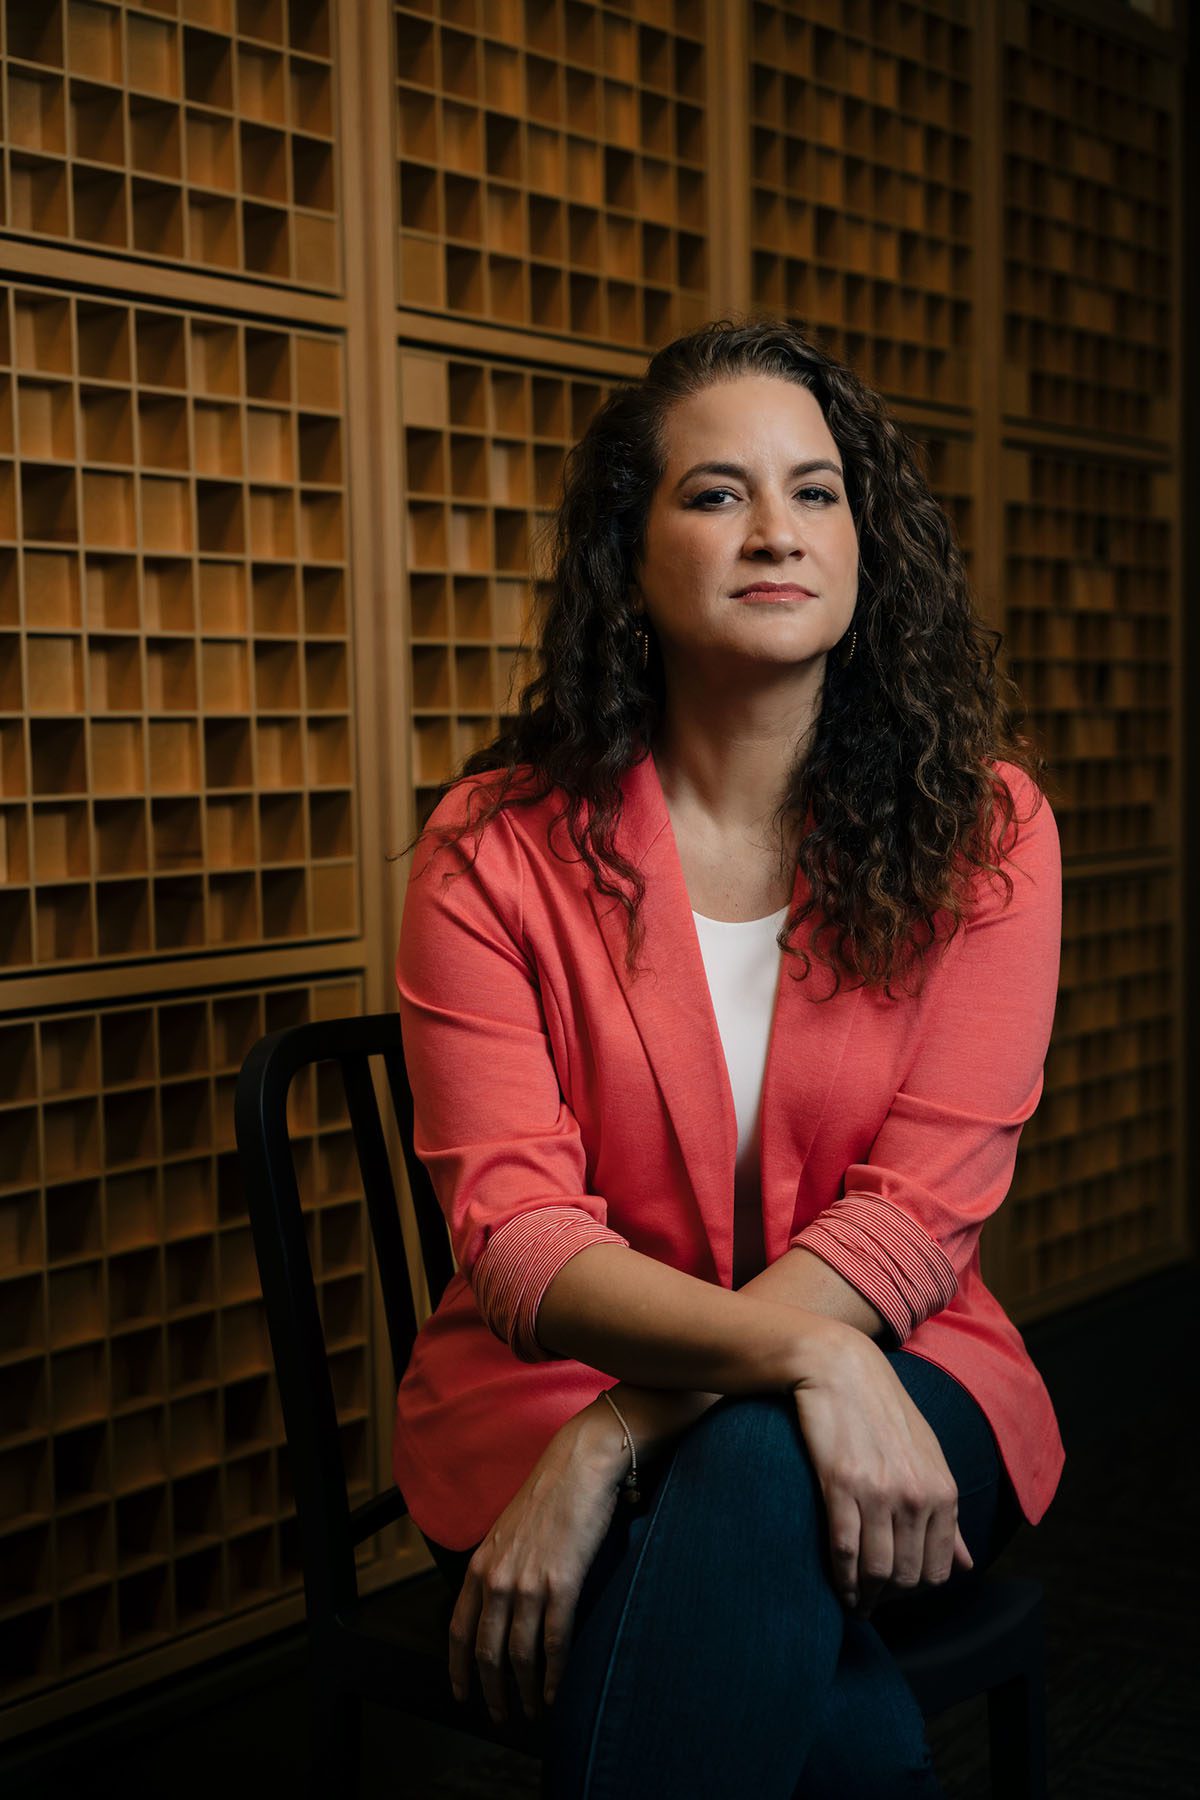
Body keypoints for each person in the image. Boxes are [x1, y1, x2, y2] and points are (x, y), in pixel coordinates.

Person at [392, 316, 1064, 1798]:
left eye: (817, 491)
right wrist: (801, 1355)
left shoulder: (988, 831)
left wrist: (624, 1435)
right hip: (549, 1393)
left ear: (865, 540)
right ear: (625, 556)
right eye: (716, 494)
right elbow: (518, 1240)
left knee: (753, 1477)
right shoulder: (493, 849)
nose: (777, 531)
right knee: (804, 1626)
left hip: (901, 1390)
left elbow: (920, 1213)